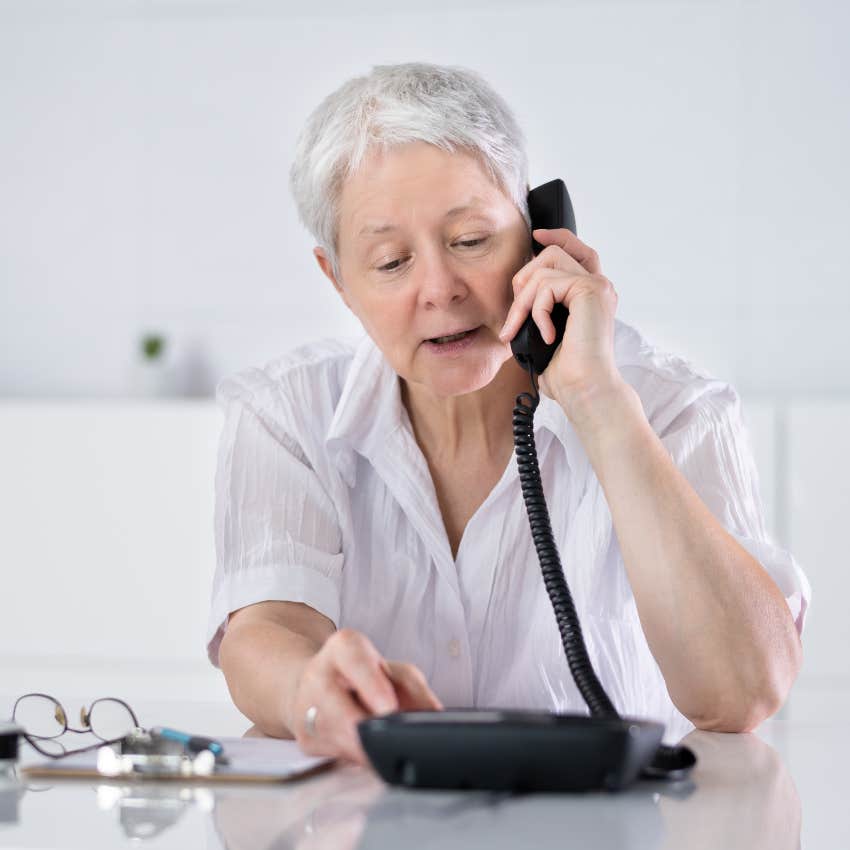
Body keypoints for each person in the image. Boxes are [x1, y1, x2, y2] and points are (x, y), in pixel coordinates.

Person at [206, 62, 811, 767]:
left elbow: (743, 692)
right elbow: (266, 628)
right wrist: (309, 689)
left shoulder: (679, 409)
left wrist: (599, 403)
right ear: (336, 279)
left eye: (470, 241)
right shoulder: (288, 412)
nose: (440, 289)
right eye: (392, 261)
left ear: (539, 233)